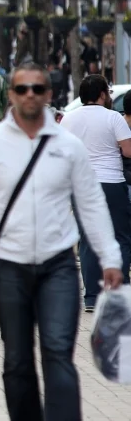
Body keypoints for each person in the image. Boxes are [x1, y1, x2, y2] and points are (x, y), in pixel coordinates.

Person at [0, 63, 123, 421]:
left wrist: (111, 258)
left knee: (58, 353)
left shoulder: (68, 146)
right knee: (17, 361)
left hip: (58, 266)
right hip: (7, 266)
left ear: (49, 95)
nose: (30, 94)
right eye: (22, 89)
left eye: (37, 88)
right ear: (11, 95)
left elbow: (91, 203)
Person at [59, 74, 131, 311]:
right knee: (120, 236)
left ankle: (91, 297)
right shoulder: (114, 118)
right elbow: (128, 151)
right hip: (111, 183)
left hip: (81, 185)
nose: (109, 96)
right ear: (101, 94)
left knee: (88, 240)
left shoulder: (68, 120)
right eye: (108, 93)